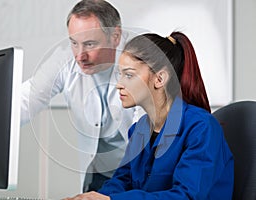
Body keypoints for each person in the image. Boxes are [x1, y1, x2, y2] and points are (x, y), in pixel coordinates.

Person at [64, 32, 234, 199]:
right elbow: (122, 181)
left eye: (129, 75)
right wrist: (95, 197)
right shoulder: (139, 130)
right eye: (120, 75)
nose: (119, 85)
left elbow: (186, 196)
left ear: (159, 79)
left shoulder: (201, 128)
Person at [21, 0, 143, 192]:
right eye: (74, 43)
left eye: (90, 44)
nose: (80, 55)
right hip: (100, 173)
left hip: (141, 171)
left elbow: (146, 130)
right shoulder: (64, 60)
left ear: (116, 36)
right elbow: (25, 100)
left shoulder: (141, 59)